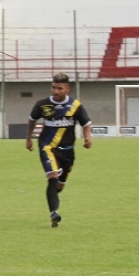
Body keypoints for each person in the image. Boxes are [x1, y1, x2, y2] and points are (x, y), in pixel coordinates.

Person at [26, 73, 92, 228]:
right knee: (52, 177)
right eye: (53, 87)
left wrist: (88, 137)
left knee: (59, 185)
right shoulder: (42, 104)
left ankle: (54, 193)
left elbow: (86, 123)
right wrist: (28, 138)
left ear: (67, 89)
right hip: (47, 147)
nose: (55, 91)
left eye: (59, 88)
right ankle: (53, 213)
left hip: (68, 151)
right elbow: (32, 119)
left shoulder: (75, 106)